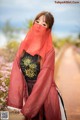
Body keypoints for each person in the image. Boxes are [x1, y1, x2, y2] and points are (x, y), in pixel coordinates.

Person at [7, 11, 67, 120]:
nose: (39, 26)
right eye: (37, 21)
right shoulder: (23, 45)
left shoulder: (49, 51)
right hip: (28, 92)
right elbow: (16, 69)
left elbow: (44, 79)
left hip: (44, 95)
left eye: (44, 24)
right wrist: (15, 102)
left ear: (48, 30)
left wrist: (29, 107)